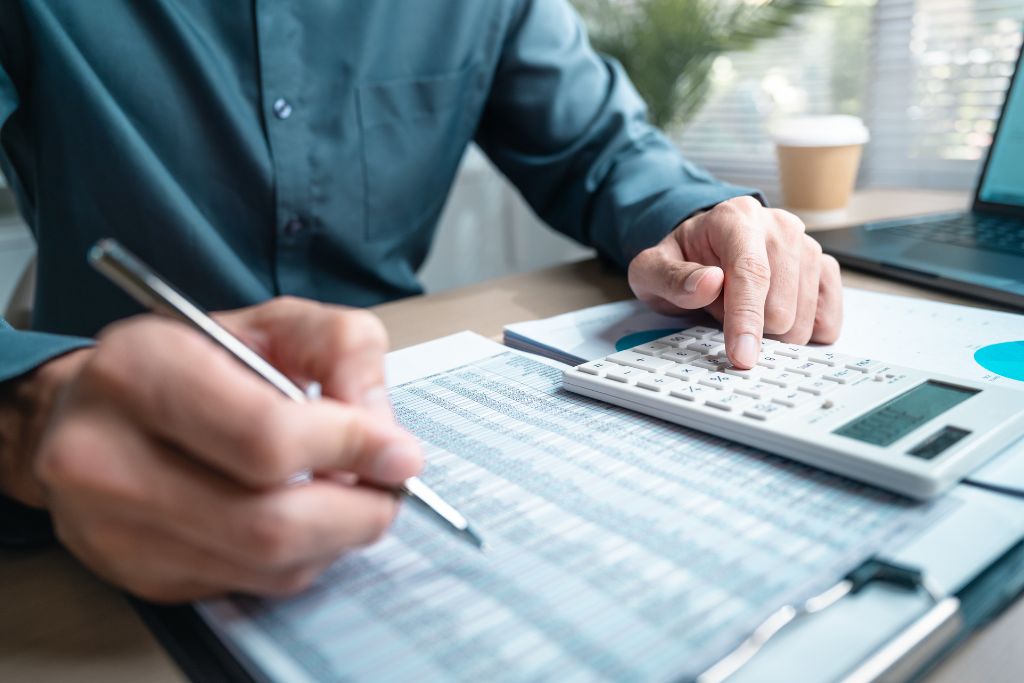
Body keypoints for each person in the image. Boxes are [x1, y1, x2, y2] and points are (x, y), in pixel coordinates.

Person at [0, 1, 842, 602]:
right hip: (88, 503)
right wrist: (30, 410)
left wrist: (691, 218)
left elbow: (600, 147)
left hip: (405, 395)